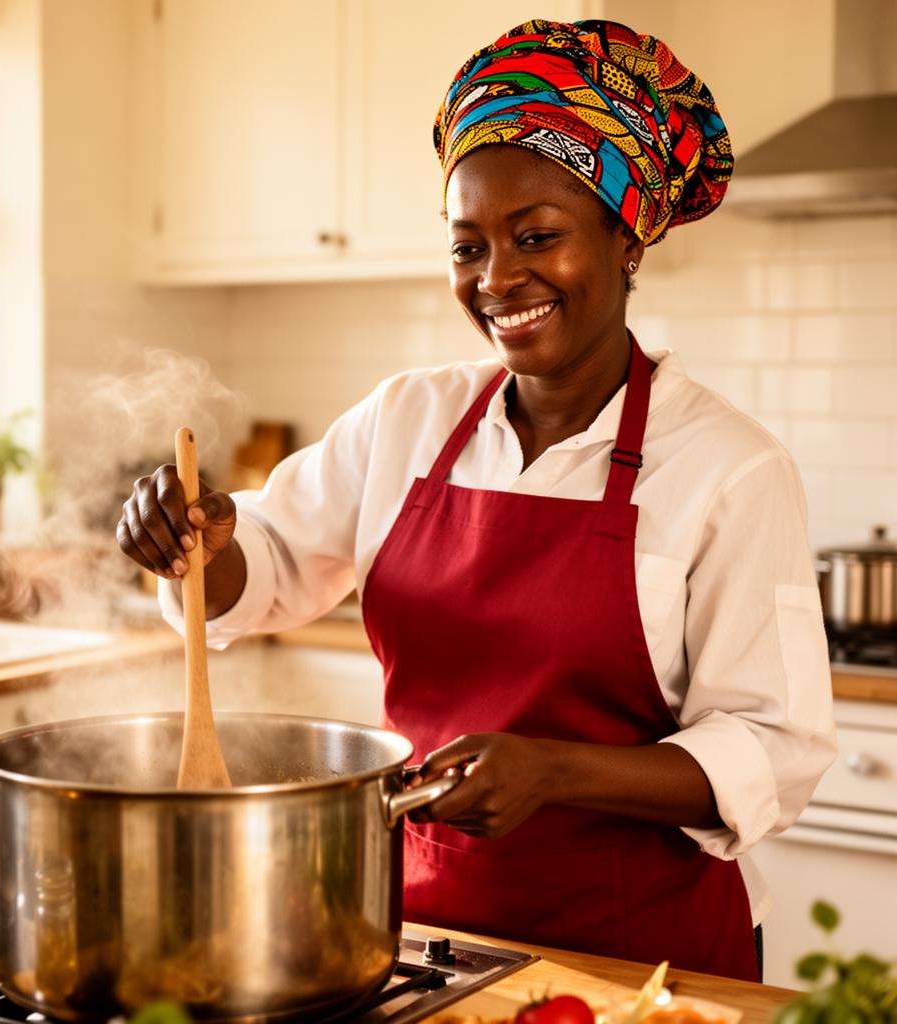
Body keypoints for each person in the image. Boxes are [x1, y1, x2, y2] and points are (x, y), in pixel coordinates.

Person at [117, 19, 836, 981]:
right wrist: (202, 539)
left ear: (627, 239)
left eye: (536, 236)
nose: (497, 279)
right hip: (420, 938)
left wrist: (556, 771)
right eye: (467, 247)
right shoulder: (409, 418)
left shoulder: (729, 467)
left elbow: (773, 748)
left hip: (639, 955)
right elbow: (271, 569)